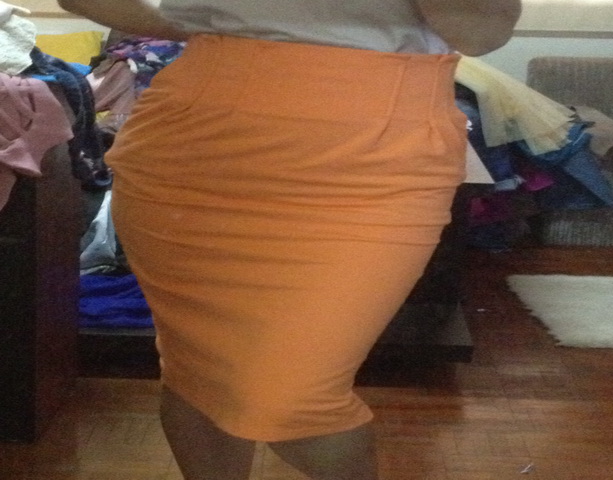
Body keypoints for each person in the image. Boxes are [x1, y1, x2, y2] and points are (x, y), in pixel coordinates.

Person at [57, 1, 522, 479]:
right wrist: (209, 23)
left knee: (289, 401)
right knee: (196, 370)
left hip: (375, 159)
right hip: (194, 141)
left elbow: (482, 32)